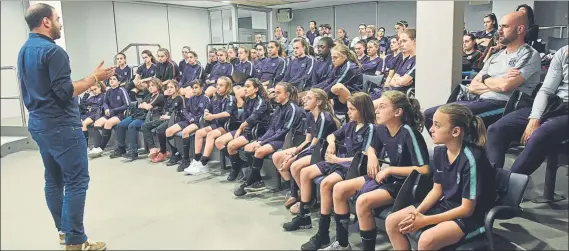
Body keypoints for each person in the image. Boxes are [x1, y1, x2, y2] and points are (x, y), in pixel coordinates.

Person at [18, 3, 114, 250]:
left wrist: (85, 79)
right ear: (46, 22)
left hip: (39, 123)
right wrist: (94, 78)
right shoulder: (54, 52)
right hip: (61, 126)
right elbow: (64, 92)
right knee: (77, 180)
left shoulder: (25, 49)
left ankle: (64, 232)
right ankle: (75, 241)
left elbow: (46, 87)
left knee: (54, 179)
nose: (60, 23)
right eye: (57, 18)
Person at [385, 103, 496, 250]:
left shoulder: (473, 159)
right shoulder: (439, 152)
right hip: (446, 206)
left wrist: (425, 220)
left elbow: (466, 209)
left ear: (455, 131)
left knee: (426, 240)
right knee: (392, 222)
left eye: (437, 125)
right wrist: (417, 214)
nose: (431, 129)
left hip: (471, 217)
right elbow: (437, 191)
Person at [328, 91, 429, 250]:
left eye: (382, 107)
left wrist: (390, 170)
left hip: (405, 184)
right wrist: (373, 156)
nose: (376, 111)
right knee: (339, 188)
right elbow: (372, 147)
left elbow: (424, 169)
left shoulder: (409, 132)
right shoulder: (381, 129)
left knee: (363, 201)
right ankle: (342, 243)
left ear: (397, 112)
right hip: (390, 178)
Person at [424, 12, 541, 132]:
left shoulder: (529, 54)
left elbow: (505, 86)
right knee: (430, 114)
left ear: (520, 29)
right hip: (478, 100)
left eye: (505, 27)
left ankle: (459, 149)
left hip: (503, 104)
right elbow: (473, 87)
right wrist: (495, 82)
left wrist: (486, 79)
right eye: (499, 26)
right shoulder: (496, 56)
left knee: (452, 119)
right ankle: (452, 150)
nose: (499, 31)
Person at [289, 93, 375, 251]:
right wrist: (332, 144)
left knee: (326, 184)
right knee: (305, 172)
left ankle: (323, 233)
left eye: (352, 109)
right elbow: (331, 135)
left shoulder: (370, 128)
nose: (348, 112)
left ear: (362, 110)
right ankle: (304, 217)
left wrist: (337, 160)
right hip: (339, 161)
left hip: (352, 167)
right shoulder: (350, 124)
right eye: (348, 109)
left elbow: (364, 157)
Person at [486, 45, 568, 175]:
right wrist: (535, 117)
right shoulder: (563, 52)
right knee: (496, 130)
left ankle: (510, 187)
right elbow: (546, 89)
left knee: (541, 134)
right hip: (554, 104)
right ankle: (493, 182)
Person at [274, 89, 340, 211]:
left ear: (319, 101)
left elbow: (315, 145)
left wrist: (293, 156)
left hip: (322, 152)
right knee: (278, 157)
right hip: (313, 149)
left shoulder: (324, 118)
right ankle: (298, 193)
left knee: (294, 164)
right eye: (305, 98)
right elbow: (307, 140)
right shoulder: (309, 115)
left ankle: (308, 201)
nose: (304, 100)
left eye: (309, 98)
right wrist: (294, 152)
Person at [234, 82, 304, 196]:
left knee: (260, 150)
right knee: (249, 147)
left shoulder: (293, 109)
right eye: (275, 92)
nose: (275, 95)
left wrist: (263, 143)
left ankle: (250, 181)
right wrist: (260, 141)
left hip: (287, 140)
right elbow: (271, 129)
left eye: (278, 93)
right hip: (276, 138)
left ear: (286, 94)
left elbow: (285, 131)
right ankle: (257, 179)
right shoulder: (278, 108)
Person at [214, 78, 271, 181]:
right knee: (219, 141)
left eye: (248, 86)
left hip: (257, 131)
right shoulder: (248, 100)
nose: (245, 89)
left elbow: (253, 118)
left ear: (256, 89)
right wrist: (240, 129)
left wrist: (240, 129)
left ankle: (237, 169)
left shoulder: (261, 101)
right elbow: (244, 117)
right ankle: (239, 165)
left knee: (231, 145)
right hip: (246, 129)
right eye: (244, 86)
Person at [185, 76, 238, 175]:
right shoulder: (215, 97)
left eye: (221, 85)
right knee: (199, 133)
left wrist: (212, 116)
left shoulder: (231, 98)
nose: (217, 87)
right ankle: (196, 160)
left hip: (229, 126)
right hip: (218, 124)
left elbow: (227, 113)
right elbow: (208, 108)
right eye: (217, 84)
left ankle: (204, 163)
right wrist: (206, 112)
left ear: (227, 87)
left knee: (210, 135)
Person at [110, 78, 165, 161]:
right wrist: (144, 105)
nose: (150, 87)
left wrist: (145, 105)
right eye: (149, 86)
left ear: (158, 86)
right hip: (138, 114)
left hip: (149, 117)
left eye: (153, 86)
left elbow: (148, 107)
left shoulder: (160, 95)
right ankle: (121, 148)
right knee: (121, 124)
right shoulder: (149, 95)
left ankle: (133, 152)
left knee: (132, 125)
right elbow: (140, 105)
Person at [165, 80, 210, 171]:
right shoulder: (191, 98)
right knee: (168, 131)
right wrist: (189, 118)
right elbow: (185, 111)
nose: (194, 90)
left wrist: (194, 119)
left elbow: (205, 114)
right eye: (192, 88)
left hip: (198, 122)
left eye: (196, 87)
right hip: (188, 120)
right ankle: (176, 154)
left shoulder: (206, 99)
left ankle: (186, 160)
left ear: (201, 87)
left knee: (185, 132)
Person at [88, 74, 130, 158]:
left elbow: (127, 104)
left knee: (108, 123)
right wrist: (106, 109)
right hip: (109, 113)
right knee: (97, 123)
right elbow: (105, 102)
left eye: (114, 79)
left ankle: (101, 148)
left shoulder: (122, 90)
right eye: (110, 79)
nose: (111, 80)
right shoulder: (108, 91)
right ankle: (96, 147)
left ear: (118, 82)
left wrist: (113, 110)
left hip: (120, 114)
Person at [143, 80, 184, 163]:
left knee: (160, 129)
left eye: (171, 87)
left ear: (176, 88)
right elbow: (164, 110)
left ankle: (166, 152)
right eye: (168, 87)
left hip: (174, 120)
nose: (169, 89)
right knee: (145, 126)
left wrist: (168, 117)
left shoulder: (180, 98)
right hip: (164, 118)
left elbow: (182, 114)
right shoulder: (168, 99)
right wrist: (162, 116)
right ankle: (153, 148)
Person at [314, 44, 363, 112]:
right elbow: (328, 81)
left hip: (354, 96)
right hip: (340, 96)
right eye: (332, 57)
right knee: (315, 94)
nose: (333, 60)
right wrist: (313, 90)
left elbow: (336, 83)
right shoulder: (337, 66)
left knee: (337, 87)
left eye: (335, 57)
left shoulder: (350, 67)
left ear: (344, 57)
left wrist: (319, 96)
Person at [384, 29, 417, 95]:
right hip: (393, 93)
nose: (401, 44)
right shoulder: (405, 59)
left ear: (414, 41)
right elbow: (391, 82)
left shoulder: (417, 60)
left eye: (404, 41)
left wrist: (399, 80)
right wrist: (400, 80)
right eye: (400, 42)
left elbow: (404, 81)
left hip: (402, 96)